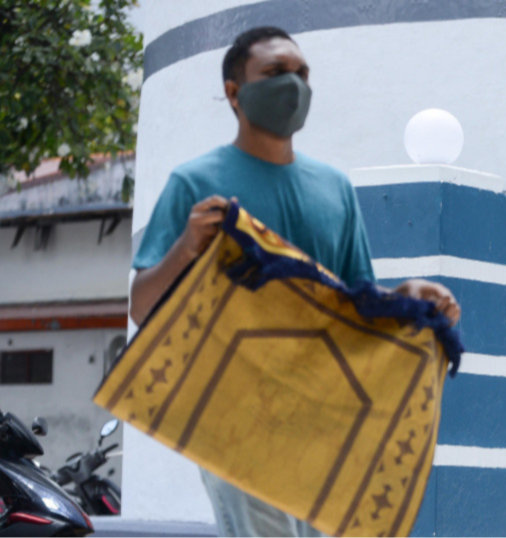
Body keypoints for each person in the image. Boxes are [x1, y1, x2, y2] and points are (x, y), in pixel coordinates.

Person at [129, 26, 461, 538]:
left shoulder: (334, 188)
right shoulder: (195, 183)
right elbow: (142, 307)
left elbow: (352, 302)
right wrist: (187, 247)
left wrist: (408, 297)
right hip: (236, 420)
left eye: (303, 73)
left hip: (327, 417)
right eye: (276, 72)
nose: (294, 84)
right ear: (235, 92)